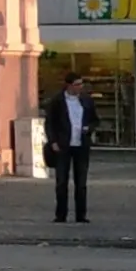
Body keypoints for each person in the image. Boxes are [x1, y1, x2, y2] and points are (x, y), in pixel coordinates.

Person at [43, 73, 96, 224]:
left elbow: (94, 120)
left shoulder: (86, 101)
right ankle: (61, 214)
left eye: (81, 84)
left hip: (81, 144)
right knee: (61, 182)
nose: (80, 87)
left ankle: (81, 215)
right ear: (68, 85)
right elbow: (50, 123)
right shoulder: (57, 101)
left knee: (81, 182)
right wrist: (52, 141)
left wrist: (89, 128)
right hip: (63, 145)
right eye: (77, 84)